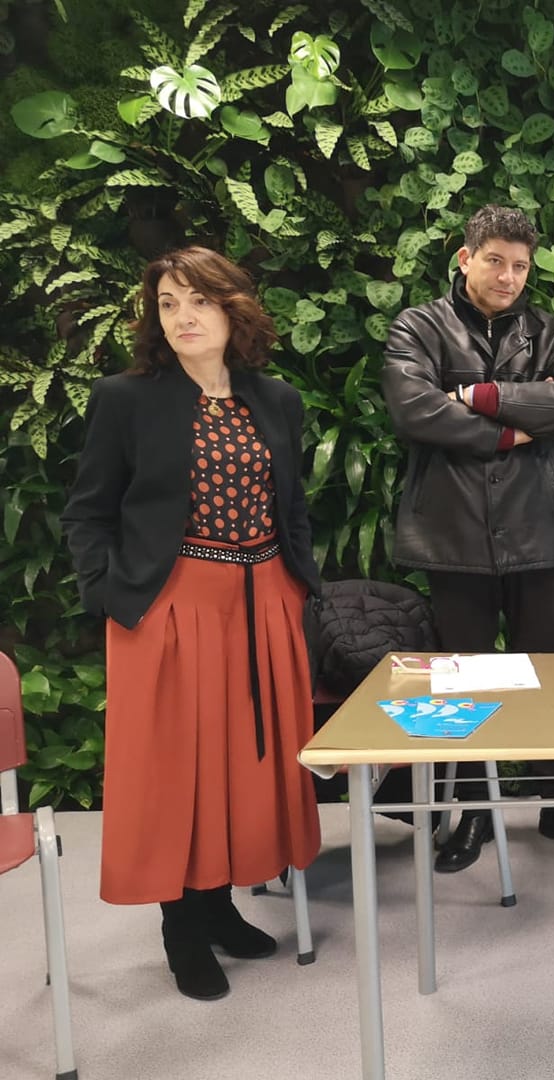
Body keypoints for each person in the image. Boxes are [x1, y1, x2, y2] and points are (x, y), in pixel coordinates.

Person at [61, 246, 323, 1001]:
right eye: (169, 303)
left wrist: (297, 586)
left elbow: (292, 504)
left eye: (199, 300)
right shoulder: (126, 398)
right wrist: (110, 595)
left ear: (233, 308)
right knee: (178, 768)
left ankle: (217, 906)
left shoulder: (277, 399)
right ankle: (181, 926)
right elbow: (88, 511)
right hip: (170, 605)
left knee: (241, 763)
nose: (183, 316)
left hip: (263, 600)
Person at [381, 205, 554, 870]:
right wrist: (511, 427)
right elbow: (415, 410)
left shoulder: (549, 330)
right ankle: (475, 815)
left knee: (549, 676)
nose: (509, 277)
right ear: (465, 258)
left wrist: (472, 396)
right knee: (465, 687)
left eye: (520, 266)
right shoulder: (418, 326)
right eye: (496, 261)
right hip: (450, 535)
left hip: (537, 530)